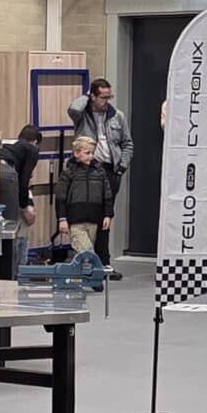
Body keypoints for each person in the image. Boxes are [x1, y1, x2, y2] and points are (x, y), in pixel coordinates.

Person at [66, 79, 133, 278]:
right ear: (93, 96)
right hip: (86, 170)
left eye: (109, 97)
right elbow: (72, 108)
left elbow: (127, 143)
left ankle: (104, 263)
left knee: (105, 217)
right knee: (87, 216)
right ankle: (87, 262)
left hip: (110, 171)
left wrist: (122, 167)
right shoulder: (82, 115)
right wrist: (86, 97)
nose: (107, 101)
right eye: (103, 97)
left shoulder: (117, 116)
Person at [55, 133, 113, 260]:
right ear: (77, 153)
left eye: (92, 153)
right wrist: (62, 219)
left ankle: (79, 271)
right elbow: (60, 197)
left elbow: (107, 194)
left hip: (93, 219)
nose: (91, 156)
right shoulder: (69, 172)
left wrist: (108, 214)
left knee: (84, 256)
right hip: (76, 220)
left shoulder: (99, 171)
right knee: (87, 252)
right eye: (87, 153)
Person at [0, 125, 42, 236]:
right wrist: (25, 207)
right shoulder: (32, 149)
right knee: (9, 225)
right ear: (35, 142)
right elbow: (24, 181)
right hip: (6, 173)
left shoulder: (6, 144)